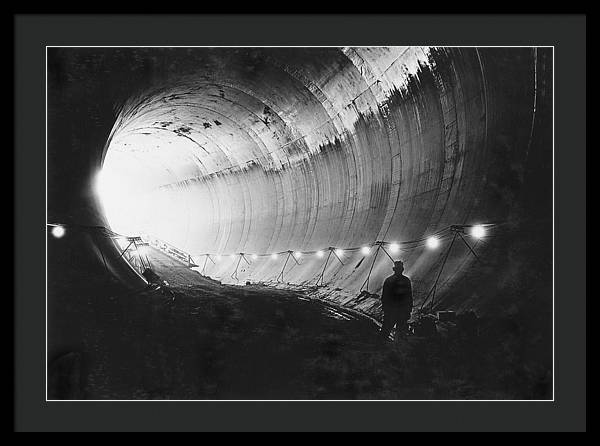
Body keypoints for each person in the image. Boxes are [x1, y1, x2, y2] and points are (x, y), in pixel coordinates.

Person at [380, 260, 413, 340]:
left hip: (393, 310)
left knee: (387, 329)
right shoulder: (406, 280)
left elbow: (384, 296)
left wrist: (385, 308)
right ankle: (397, 346)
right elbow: (409, 296)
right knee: (399, 331)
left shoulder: (389, 280)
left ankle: (382, 345)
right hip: (400, 310)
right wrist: (409, 309)